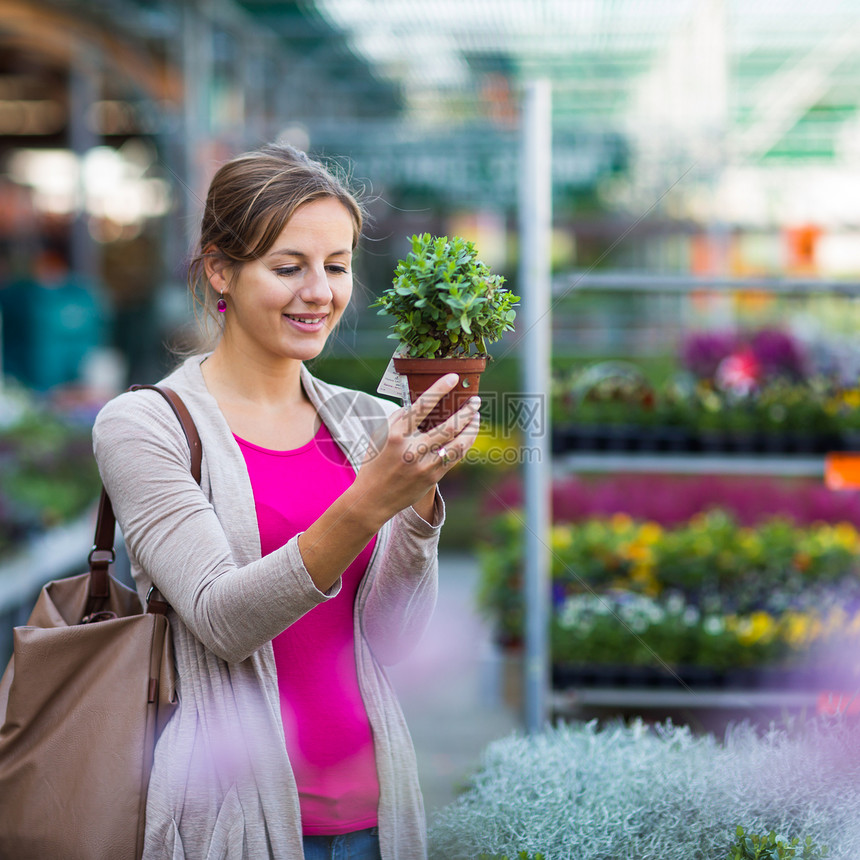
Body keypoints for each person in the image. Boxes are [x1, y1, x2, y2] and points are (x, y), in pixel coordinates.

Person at [92, 143, 480, 860]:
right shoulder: (144, 424)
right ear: (220, 270)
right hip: (232, 820)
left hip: (376, 813)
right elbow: (221, 618)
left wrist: (419, 501)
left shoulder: (366, 423)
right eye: (287, 267)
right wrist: (367, 504)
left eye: (336, 266)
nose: (319, 292)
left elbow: (392, 640)